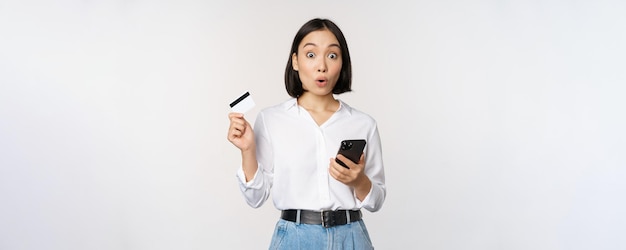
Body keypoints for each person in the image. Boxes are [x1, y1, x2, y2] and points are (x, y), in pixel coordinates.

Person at [227, 18, 386, 250]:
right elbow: (256, 198)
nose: (322, 66)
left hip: (351, 237)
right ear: (295, 61)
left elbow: (377, 200)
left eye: (332, 55)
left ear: (342, 63)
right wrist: (247, 150)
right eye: (311, 55)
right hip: (295, 238)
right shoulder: (271, 119)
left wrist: (358, 180)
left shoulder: (363, 124)